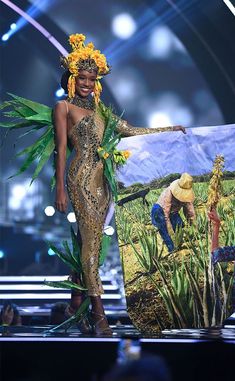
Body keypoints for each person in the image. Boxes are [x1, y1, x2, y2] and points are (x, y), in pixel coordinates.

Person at [53, 33, 186, 335]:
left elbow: (130, 130)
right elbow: (62, 149)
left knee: (92, 240)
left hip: (104, 179)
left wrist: (168, 130)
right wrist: (60, 188)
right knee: (92, 243)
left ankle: (76, 303)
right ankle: (99, 313)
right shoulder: (64, 108)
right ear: (72, 78)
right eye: (82, 78)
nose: (87, 83)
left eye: (91, 78)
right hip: (81, 177)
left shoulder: (100, 110)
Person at [151, 172, 195, 253]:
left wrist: (193, 224)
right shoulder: (169, 193)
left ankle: (178, 244)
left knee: (180, 225)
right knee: (164, 231)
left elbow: (189, 210)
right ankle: (171, 250)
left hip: (173, 211)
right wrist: (170, 230)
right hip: (160, 210)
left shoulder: (187, 195)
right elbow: (166, 214)